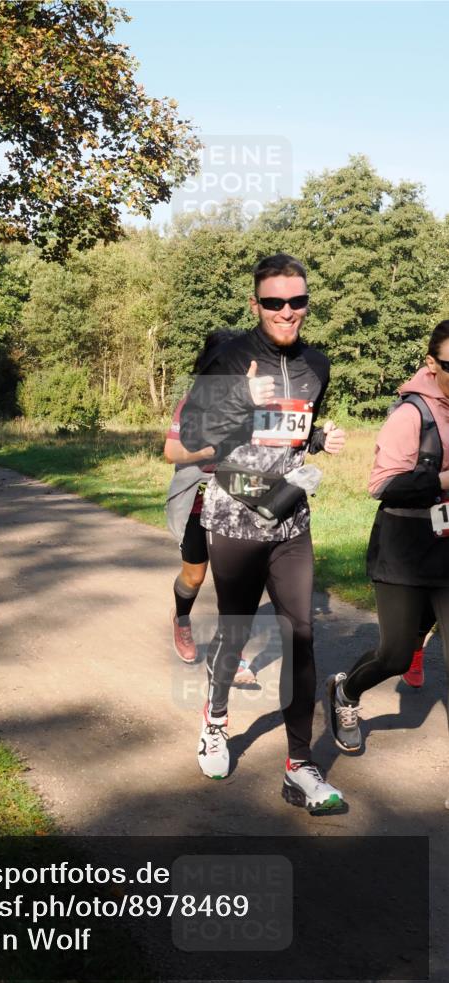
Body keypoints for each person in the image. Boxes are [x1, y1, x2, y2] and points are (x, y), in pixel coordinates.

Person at [180, 253, 347, 815]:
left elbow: (290, 430)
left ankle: (300, 764)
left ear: (306, 303)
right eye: (274, 301)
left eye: (297, 301)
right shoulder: (229, 358)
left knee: (301, 635)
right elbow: (193, 435)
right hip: (234, 517)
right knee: (235, 629)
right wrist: (239, 397)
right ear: (256, 304)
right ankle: (215, 720)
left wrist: (319, 439)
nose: (286, 311)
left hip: (291, 518)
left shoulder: (316, 364)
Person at [327, 320, 449, 754]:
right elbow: (381, 485)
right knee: (395, 656)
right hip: (405, 549)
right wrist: (444, 480)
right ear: (432, 364)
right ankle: (346, 693)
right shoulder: (411, 415)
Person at [165, 331, 255, 684]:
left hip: (236, 497)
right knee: (194, 576)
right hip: (198, 498)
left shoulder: (253, 402)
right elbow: (171, 452)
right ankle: (181, 620)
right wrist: (206, 452)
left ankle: (232, 652)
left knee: (234, 578)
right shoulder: (194, 401)